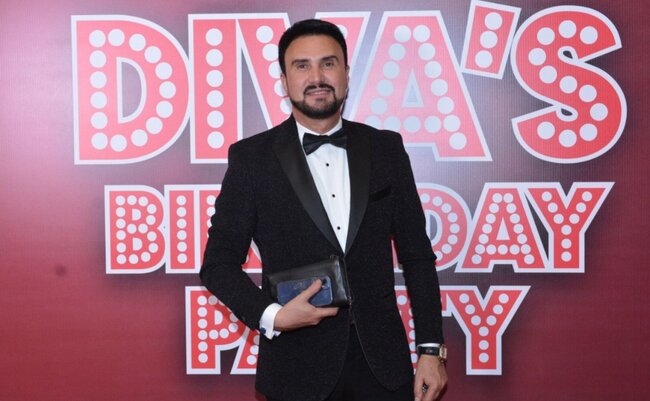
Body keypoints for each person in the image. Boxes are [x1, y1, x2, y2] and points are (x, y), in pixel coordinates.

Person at [200, 18, 447, 401]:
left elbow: (417, 255)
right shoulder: (252, 159)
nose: (316, 77)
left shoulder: (386, 149)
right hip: (294, 369)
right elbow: (218, 264)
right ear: (284, 81)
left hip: (384, 369)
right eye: (302, 66)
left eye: (328, 63)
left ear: (346, 73)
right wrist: (273, 315)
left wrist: (431, 350)